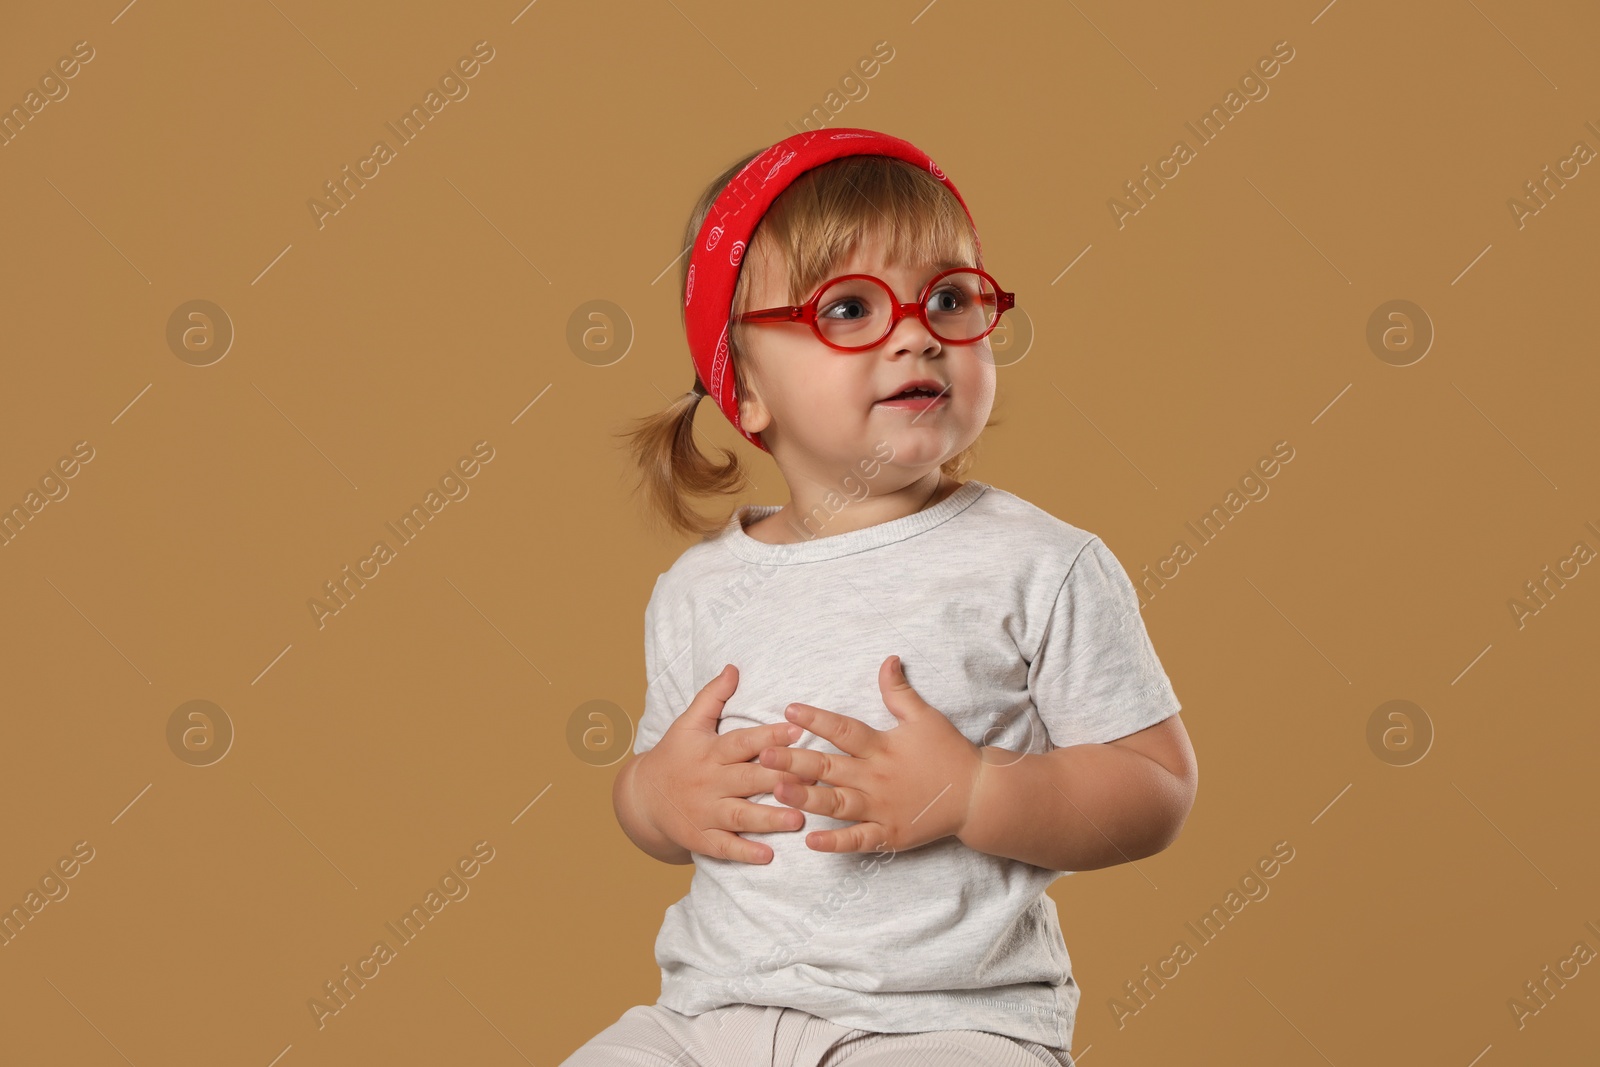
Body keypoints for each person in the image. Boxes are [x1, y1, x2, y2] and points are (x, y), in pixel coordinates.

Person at [565, 128, 1198, 1067]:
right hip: (711, 1019)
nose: (916, 333)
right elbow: (656, 798)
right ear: (742, 391)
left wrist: (977, 790)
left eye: (949, 298)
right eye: (847, 308)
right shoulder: (698, 589)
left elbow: (1157, 786)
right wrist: (656, 794)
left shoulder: (1038, 565)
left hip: (944, 1023)